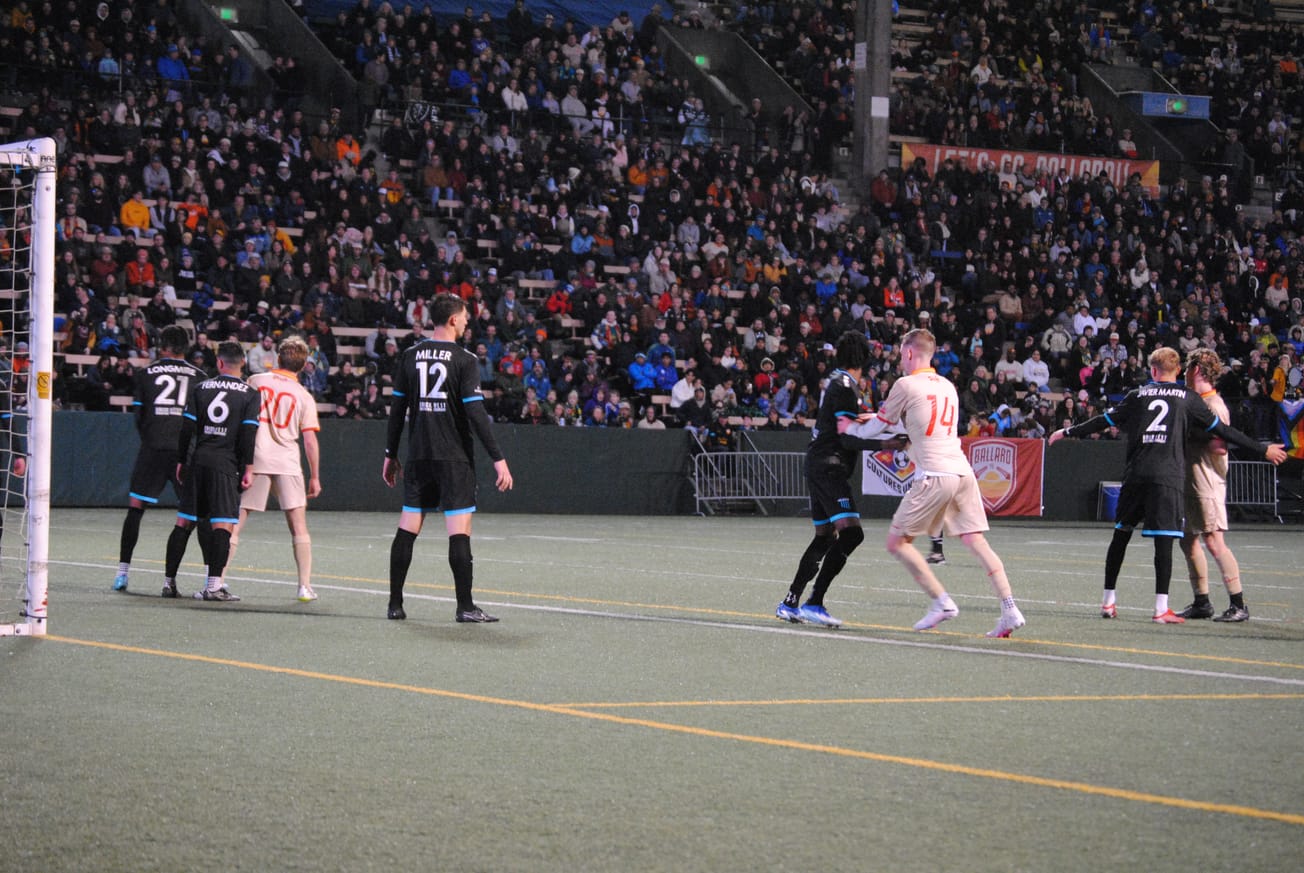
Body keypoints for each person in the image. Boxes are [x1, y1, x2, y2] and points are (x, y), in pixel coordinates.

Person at [1049, 347, 1286, 623]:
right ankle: (1176, 605)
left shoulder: (1140, 395)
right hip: (1171, 477)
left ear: (1152, 370)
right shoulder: (1188, 398)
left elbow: (1104, 421)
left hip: (1162, 476)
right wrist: (1262, 449)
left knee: (1126, 537)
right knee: (1174, 541)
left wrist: (1067, 431)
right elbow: (1225, 433)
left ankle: (1110, 602)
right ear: (1175, 371)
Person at [841, 328, 1027, 637]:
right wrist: (876, 418)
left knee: (897, 542)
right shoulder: (948, 386)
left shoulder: (905, 383)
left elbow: (880, 428)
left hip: (935, 475)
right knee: (976, 541)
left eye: (902, 354)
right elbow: (918, 419)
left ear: (910, 353)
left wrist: (851, 429)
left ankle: (941, 602)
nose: (900, 359)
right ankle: (1010, 608)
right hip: (962, 472)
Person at [383, 294, 513, 622]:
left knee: (408, 527)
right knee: (459, 531)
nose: (468, 321)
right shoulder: (465, 359)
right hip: (453, 458)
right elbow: (475, 412)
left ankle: (395, 605)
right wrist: (498, 457)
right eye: (465, 316)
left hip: (419, 456)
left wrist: (390, 453)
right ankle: (465, 607)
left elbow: (397, 410)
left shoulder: (410, 355)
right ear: (453, 320)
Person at [775, 331, 899, 628]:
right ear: (863, 357)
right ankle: (814, 602)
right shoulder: (846, 387)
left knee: (824, 537)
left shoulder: (839, 383)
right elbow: (847, 438)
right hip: (829, 466)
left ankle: (790, 602)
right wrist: (888, 445)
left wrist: (880, 420)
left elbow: (846, 423)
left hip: (819, 464)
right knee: (852, 534)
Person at [223, 336, 322, 603]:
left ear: (278, 358)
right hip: (287, 461)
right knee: (299, 527)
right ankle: (304, 586)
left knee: (236, 522)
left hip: (256, 459)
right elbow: (310, 440)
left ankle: (217, 580)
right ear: (302, 366)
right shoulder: (303, 395)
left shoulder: (256, 381)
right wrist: (314, 476)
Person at [113, 325, 207, 594]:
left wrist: (151, 438)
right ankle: (204, 581)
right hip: (184, 453)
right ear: (185, 348)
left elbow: (139, 416)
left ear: (162, 345)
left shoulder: (145, 374)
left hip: (153, 447)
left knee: (135, 509)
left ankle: (122, 574)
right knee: (196, 515)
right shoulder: (200, 376)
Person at [163, 341, 260, 601]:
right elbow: (248, 433)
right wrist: (248, 467)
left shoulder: (201, 387)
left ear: (219, 363)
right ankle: (214, 586)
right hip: (225, 464)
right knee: (223, 525)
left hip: (199, 460)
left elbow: (187, 429)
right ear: (243, 363)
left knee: (184, 522)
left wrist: (182, 460)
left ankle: (168, 583)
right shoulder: (250, 393)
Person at [1177, 350, 1253, 622]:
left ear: (1197, 369)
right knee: (1188, 540)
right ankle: (1202, 601)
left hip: (1207, 479)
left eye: (1187, 368)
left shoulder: (1214, 404)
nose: (1184, 374)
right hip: (1192, 477)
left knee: (1213, 540)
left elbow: (1219, 447)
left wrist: (1187, 436)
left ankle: (1238, 603)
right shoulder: (1196, 401)